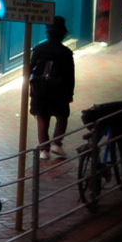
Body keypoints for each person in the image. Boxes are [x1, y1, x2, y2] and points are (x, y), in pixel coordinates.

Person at [27, 15, 75, 155]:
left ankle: (44, 149)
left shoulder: (39, 49)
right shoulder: (66, 53)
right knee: (62, 117)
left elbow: (30, 70)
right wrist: (69, 94)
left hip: (40, 91)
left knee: (42, 118)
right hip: (60, 91)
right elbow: (70, 76)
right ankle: (57, 144)